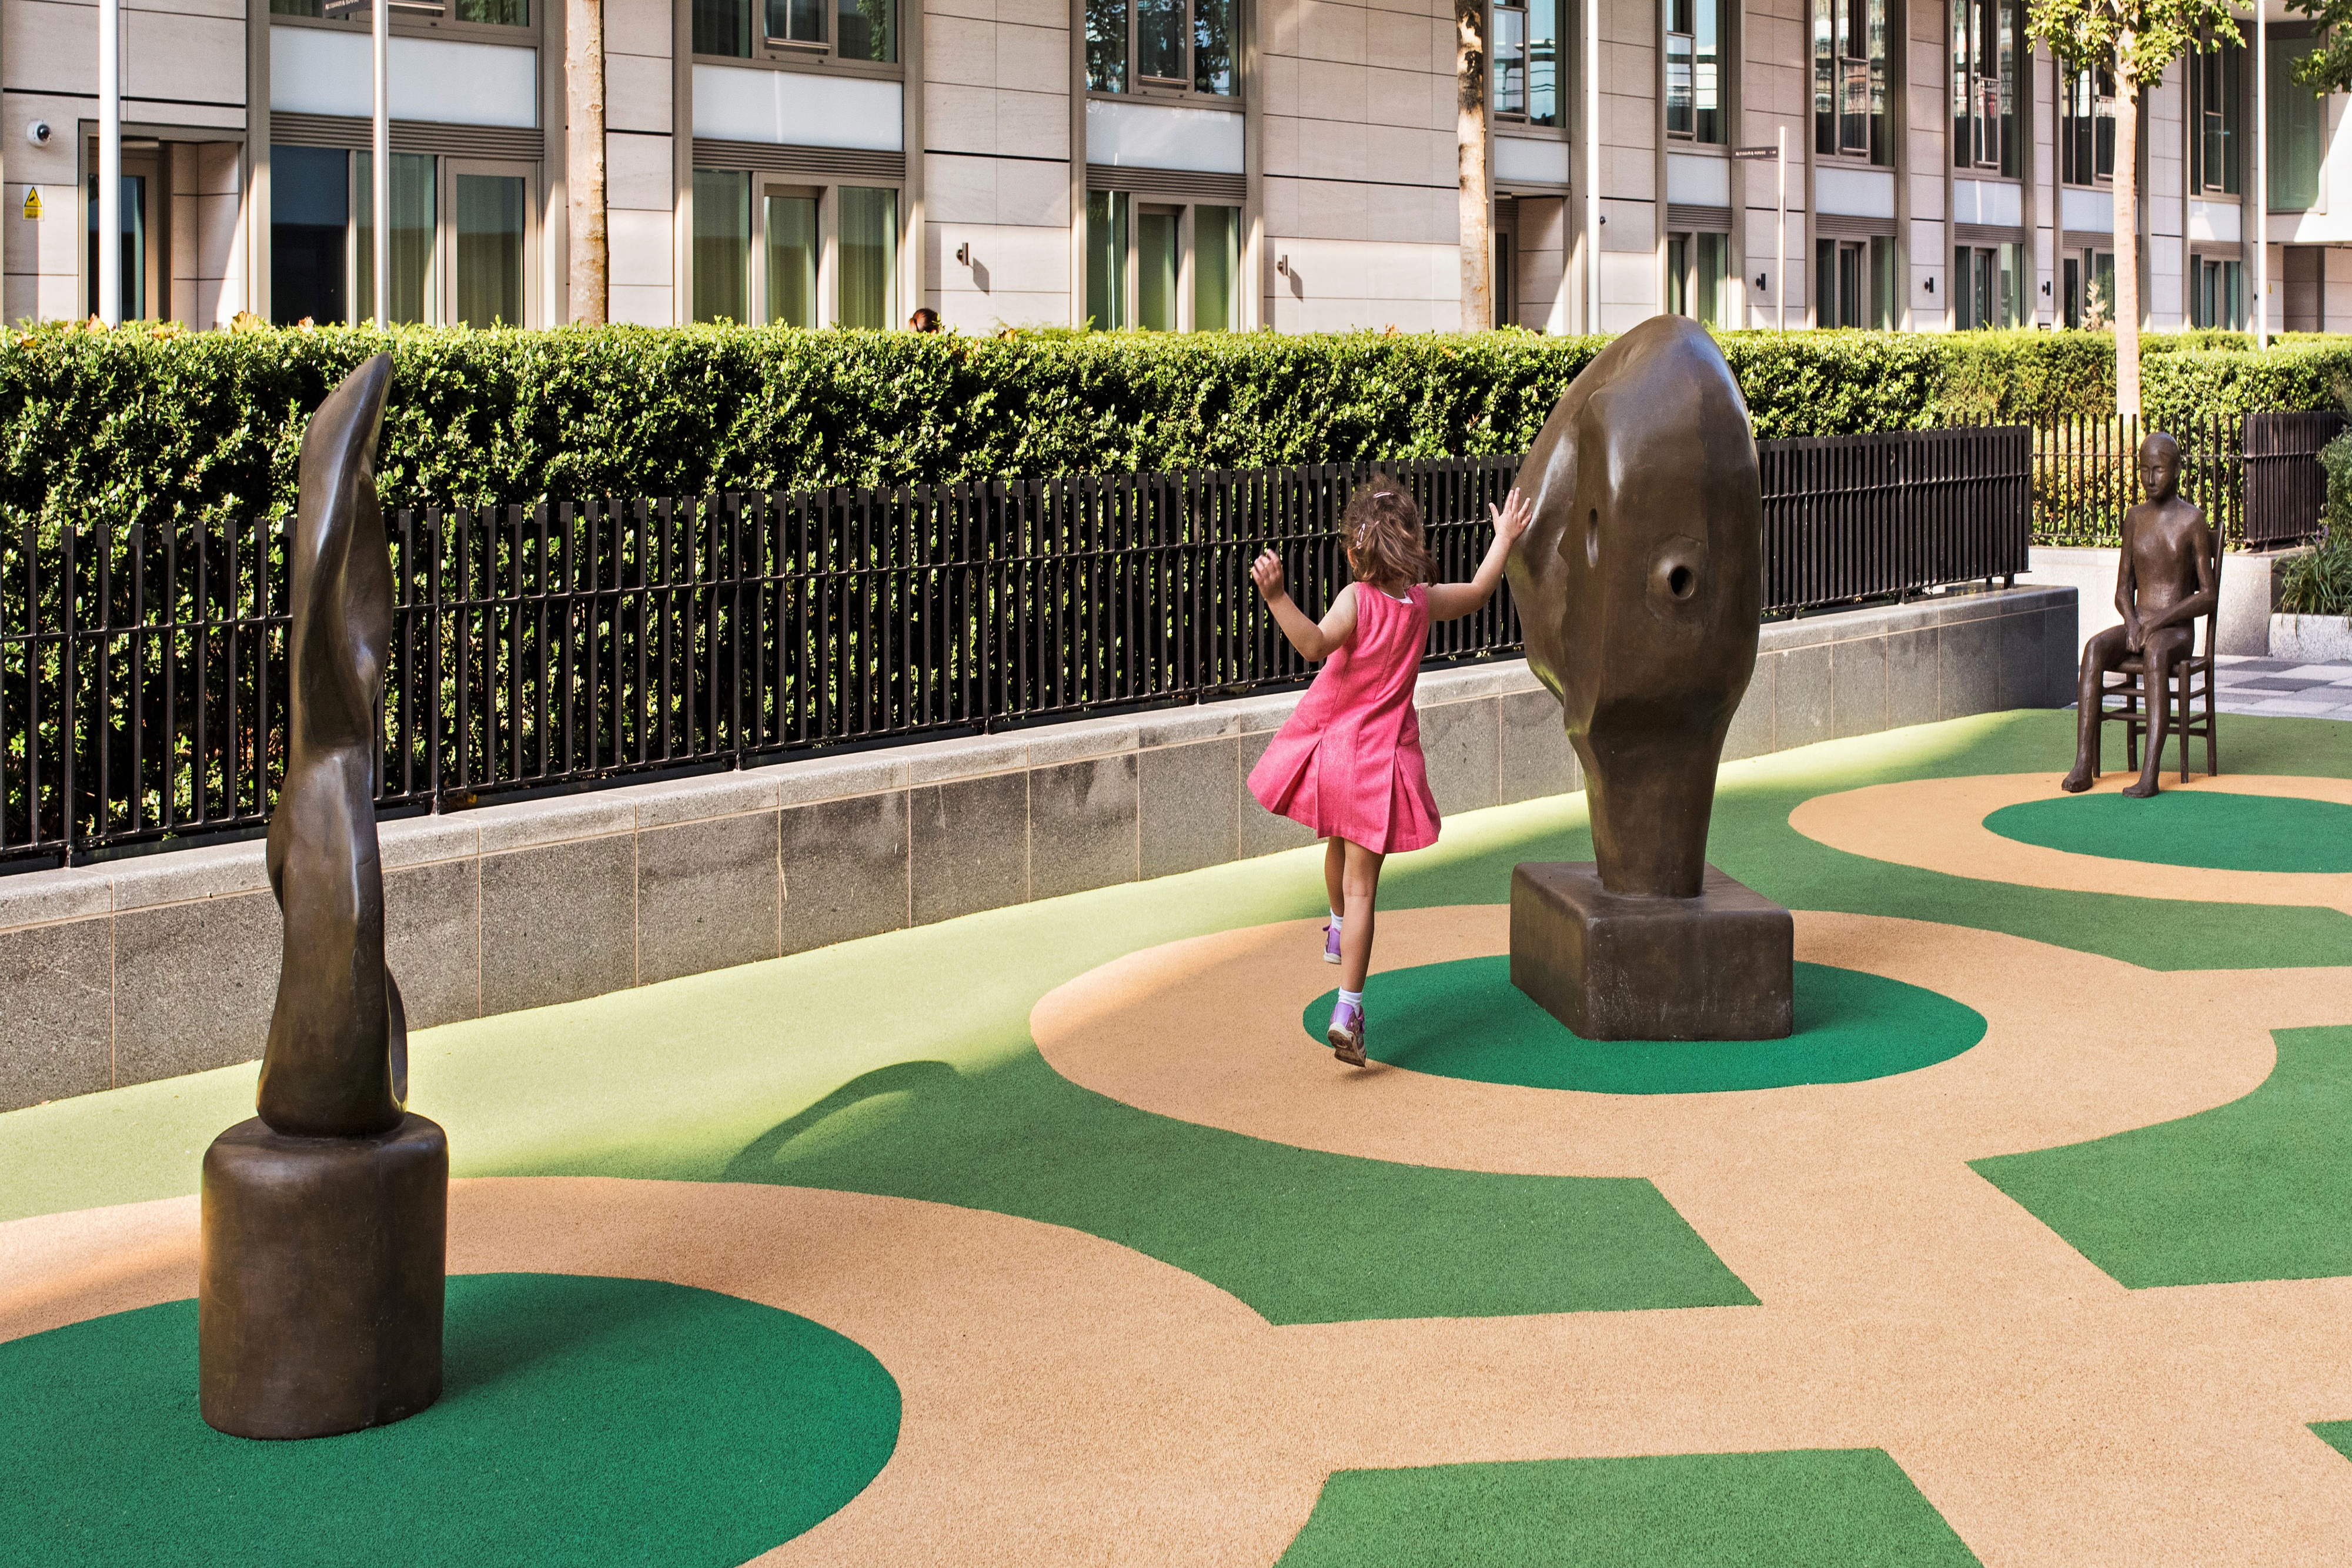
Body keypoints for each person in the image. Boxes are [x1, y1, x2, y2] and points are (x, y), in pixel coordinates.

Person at [1247, 480, 1532, 1065]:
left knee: (1336, 847)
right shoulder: (1420, 604)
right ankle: (1347, 1009)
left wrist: (1277, 596)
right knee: (1363, 889)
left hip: (1334, 758)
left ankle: (1333, 925)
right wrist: (1503, 537)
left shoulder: (1354, 598)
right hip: (1378, 768)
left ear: (1354, 551)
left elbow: (1313, 645)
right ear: (1411, 543)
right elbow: (1480, 592)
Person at [2062, 431, 2217, 798]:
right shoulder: (2134, 518)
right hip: (2141, 625)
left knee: (2155, 652)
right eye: (2144, 470)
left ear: (2177, 471)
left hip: (2175, 632)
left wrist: (2156, 623)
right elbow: (2122, 589)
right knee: (2095, 648)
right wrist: (2133, 622)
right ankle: (2084, 762)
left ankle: (2150, 774)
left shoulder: (2193, 521)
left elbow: (2208, 596)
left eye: (2158, 470)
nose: (2149, 479)